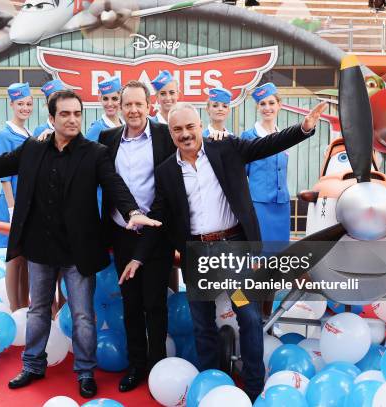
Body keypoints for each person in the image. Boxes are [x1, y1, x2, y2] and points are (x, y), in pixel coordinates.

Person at [0, 90, 161, 399]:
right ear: (51, 118)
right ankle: (33, 364)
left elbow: (114, 185)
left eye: (76, 113)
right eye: (65, 114)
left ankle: (85, 370)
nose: (72, 119)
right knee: (37, 311)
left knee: (83, 315)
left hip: (79, 250)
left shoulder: (95, 153)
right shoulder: (33, 149)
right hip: (39, 247)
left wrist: (132, 212)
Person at [119, 101, 326, 401]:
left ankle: (255, 387)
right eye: (177, 129)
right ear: (172, 134)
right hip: (198, 257)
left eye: (190, 127)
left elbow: (265, 145)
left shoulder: (225, 149)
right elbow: (159, 215)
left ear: (200, 127)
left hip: (234, 252)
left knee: (249, 316)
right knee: (203, 324)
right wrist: (138, 256)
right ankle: (212, 387)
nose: (185, 134)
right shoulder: (166, 171)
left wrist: (304, 128)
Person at [98, 80, 176, 392]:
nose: (132, 110)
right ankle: (136, 365)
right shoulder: (107, 138)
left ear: (149, 106)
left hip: (156, 232)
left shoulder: (164, 136)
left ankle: (158, 366)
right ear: (119, 106)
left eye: (138, 104)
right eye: (126, 104)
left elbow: (169, 187)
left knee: (155, 303)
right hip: (122, 233)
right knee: (130, 304)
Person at [0, 82, 33, 312]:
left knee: (26, 257)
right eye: (20, 104)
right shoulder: (5, 134)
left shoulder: (28, 132)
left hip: (27, 202)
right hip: (13, 202)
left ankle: (25, 305)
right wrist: (11, 207)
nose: (25, 108)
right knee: (14, 258)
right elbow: (4, 175)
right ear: (11, 105)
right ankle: (15, 306)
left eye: (28, 104)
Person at [241, 83, 290, 244]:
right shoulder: (248, 137)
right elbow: (241, 174)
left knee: (281, 255)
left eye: (271, 103)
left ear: (279, 105)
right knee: (260, 254)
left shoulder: (284, 136)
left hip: (282, 205)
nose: (267, 108)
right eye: (262, 104)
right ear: (257, 107)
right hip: (259, 206)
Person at [85, 76, 124, 142]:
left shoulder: (125, 124)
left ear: (121, 99)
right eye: (105, 99)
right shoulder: (97, 128)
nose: (109, 104)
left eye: (114, 99)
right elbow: (82, 150)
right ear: (100, 99)